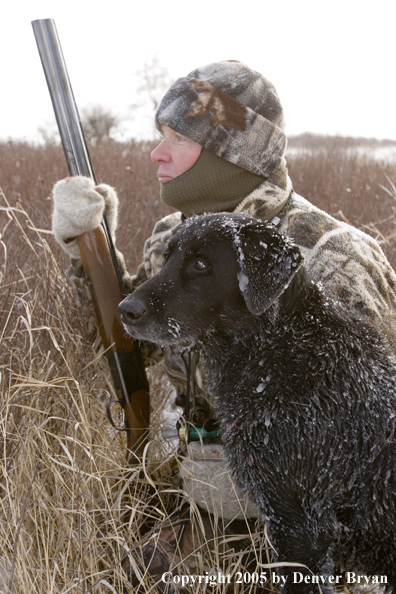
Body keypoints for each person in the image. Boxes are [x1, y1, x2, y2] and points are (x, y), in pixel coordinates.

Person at [52, 60, 396, 588]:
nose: (156, 152)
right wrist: (89, 249)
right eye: (158, 134)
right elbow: (127, 346)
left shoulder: (332, 252)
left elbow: (368, 447)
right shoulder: (177, 234)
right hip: (205, 500)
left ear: (229, 153)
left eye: (176, 137)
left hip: (311, 526)